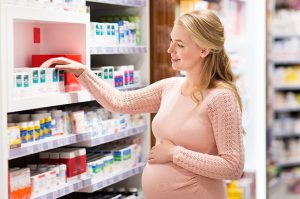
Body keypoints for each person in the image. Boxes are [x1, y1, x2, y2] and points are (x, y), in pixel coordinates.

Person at [42, 10, 244, 199]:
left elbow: (233, 167)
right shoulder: (171, 87)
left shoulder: (221, 97)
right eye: (171, 41)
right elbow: (121, 102)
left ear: (204, 49)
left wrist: (175, 154)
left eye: (180, 45)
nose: (170, 50)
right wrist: (83, 73)